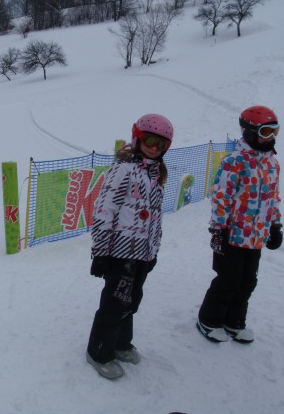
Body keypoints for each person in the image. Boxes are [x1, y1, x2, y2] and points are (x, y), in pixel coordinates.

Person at [86, 114, 174, 379]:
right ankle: (99, 352)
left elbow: (155, 218)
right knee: (115, 303)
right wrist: (101, 253)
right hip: (119, 252)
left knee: (132, 301)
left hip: (142, 254)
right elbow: (104, 211)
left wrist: (153, 250)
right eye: (150, 141)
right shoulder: (123, 170)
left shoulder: (156, 174)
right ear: (137, 138)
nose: (155, 148)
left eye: (161, 144)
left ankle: (121, 344)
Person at [197, 105, 282, 344]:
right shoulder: (235, 161)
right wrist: (219, 229)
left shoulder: (272, 164)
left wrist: (275, 225)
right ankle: (209, 320)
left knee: (248, 282)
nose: (271, 137)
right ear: (249, 132)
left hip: (257, 236)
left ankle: (234, 321)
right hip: (232, 235)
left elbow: (273, 197)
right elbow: (221, 197)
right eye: (266, 132)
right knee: (228, 280)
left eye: (275, 131)